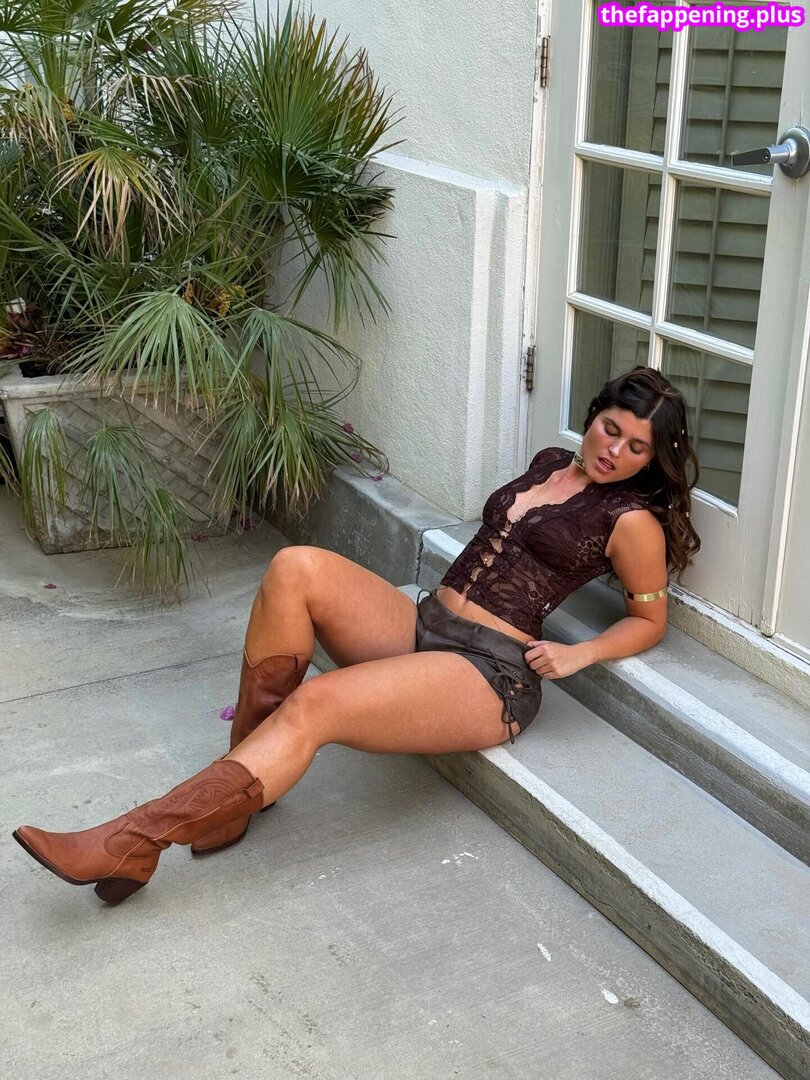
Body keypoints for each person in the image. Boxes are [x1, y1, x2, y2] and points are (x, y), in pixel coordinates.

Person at [13, 365, 700, 906]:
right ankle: (229, 805)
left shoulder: (631, 522)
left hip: (489, 673)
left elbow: (649, 621)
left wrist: (580, 653)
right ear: (593, 416)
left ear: (652, 459)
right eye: (610, 429)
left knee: (317, 702)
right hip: (427, 624)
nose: (614, 450)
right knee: (295, 567)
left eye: (636, 447)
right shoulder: (550, 461)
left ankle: (134, 840)